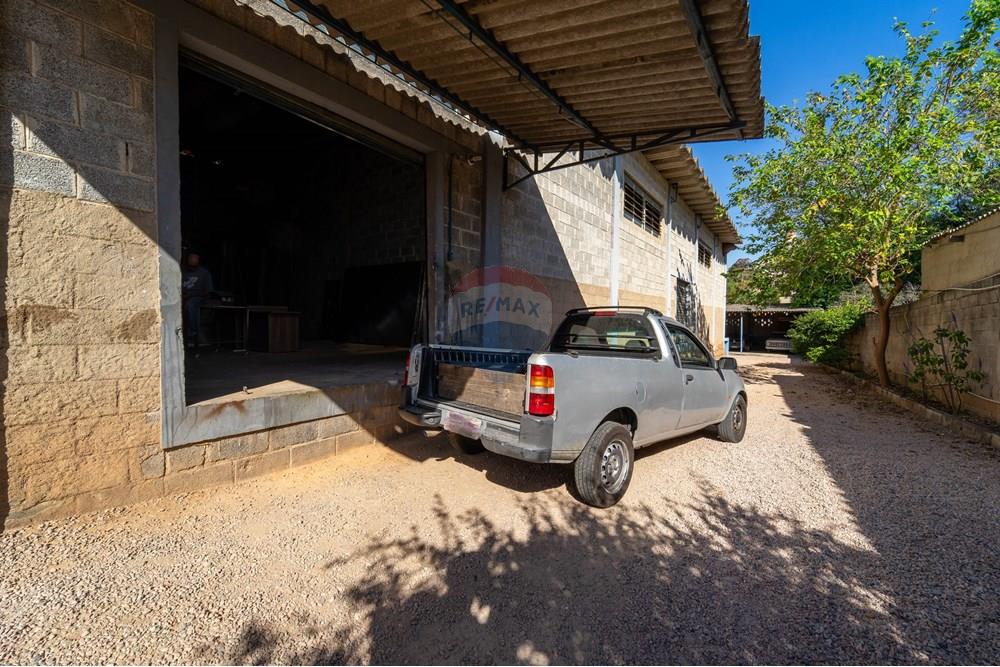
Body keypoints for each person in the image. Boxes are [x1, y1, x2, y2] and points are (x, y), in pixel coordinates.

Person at [182, 252, 214, 350]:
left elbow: (208, 291)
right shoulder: (183, 272)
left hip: (198, 297)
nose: (192, 260)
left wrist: (192, 294)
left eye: (195, 258)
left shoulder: (204, 273)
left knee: (190, 305)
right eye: (191, 258)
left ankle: (193, 332)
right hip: (184, 296)